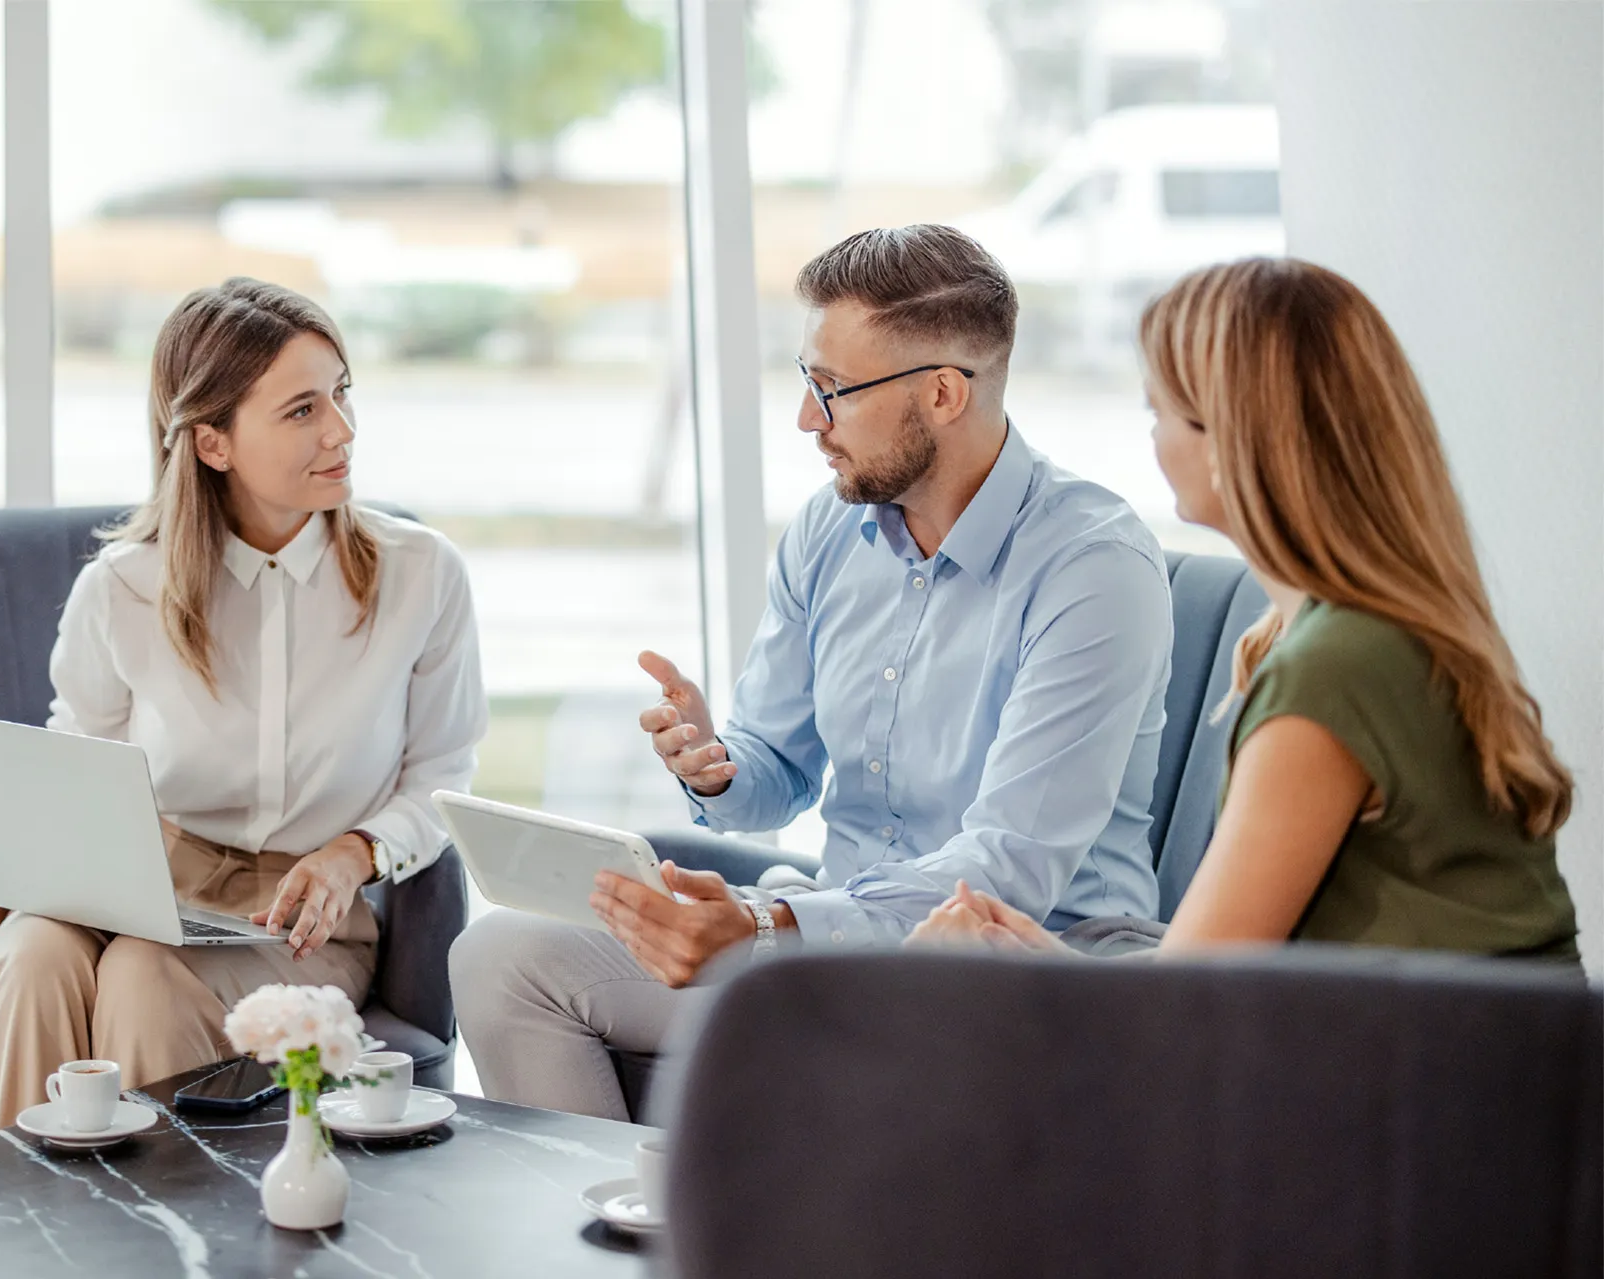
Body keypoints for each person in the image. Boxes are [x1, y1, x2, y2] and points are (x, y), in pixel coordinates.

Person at [450, 224, 1176, 1120]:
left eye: (832, 390)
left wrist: (766, 928)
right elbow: (776, 776)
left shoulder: (1092, 568)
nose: (806, 420)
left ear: (945, 393)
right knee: (499, 958)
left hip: (1029, 952)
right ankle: (628, 1241)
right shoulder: (831, 531)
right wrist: (719, 762)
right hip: (831, 936)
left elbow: (1008, 869)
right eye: (806, 382)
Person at [908, 257, 1580, 962]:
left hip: (1444, 1069)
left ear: (1232, 438)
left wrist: (1003, 969)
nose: (1153, 438)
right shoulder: (1362, 632)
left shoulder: (1333, 669)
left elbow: (1193, 1006)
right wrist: (1044, 959)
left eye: (1158, 412)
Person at [0, 278, 488, 1134]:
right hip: (137, 888)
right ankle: (13, 1240)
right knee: (30, 957)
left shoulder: (420, 575)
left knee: (140, 973)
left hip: (302, 920)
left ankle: (164, 1248)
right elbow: (78, 771)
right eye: (303, 410)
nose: (342, 431)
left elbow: (443, 774)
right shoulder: (122, 589)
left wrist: (354, 853)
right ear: (212, 441)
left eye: (343, 394)